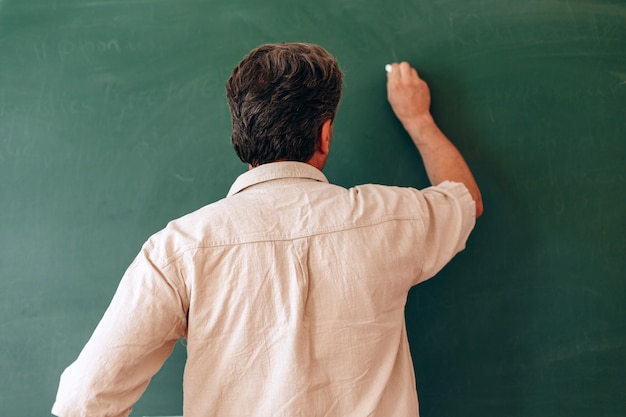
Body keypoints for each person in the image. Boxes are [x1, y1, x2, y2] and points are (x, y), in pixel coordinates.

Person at [52, 42, 482, 417]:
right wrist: (417, 118)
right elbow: (464, 199)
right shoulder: (390, 217)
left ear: (241, 136)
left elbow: (83, 400)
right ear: (325, 134)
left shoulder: (179, 249)